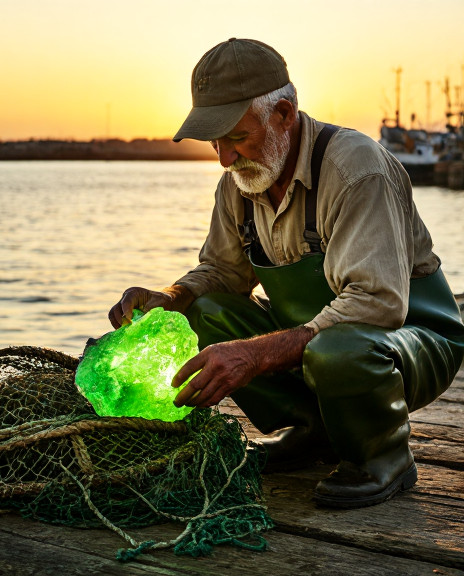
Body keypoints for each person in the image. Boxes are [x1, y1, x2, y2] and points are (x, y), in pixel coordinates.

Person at [108, 38, 464, 509]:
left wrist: (255, 355)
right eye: (215, 141)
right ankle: (315, 431)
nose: (224, 158)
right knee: (204, 311)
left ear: (284, 114)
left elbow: (377, 303)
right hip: (318, 341)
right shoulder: (239, 181)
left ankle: (384, 456)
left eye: (237, 137)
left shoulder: (356, 168)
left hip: (412, 341)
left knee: (338, 349)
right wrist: (171, 297)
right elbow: (222, 271)